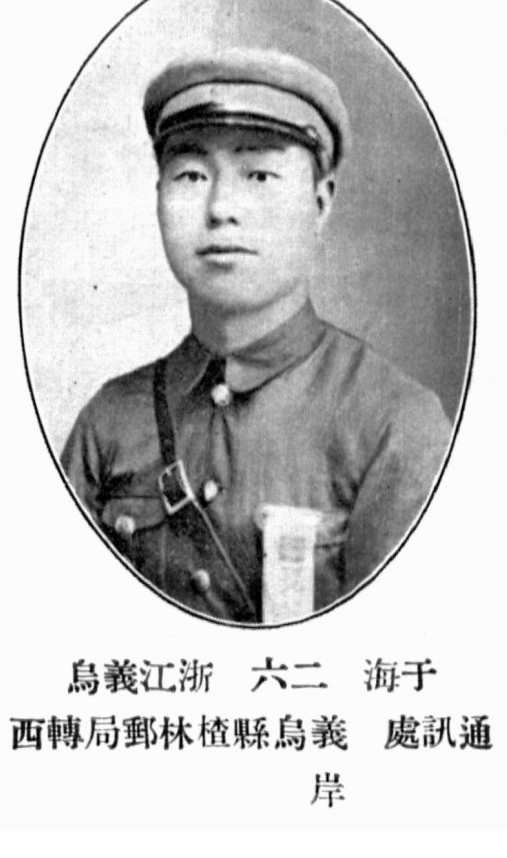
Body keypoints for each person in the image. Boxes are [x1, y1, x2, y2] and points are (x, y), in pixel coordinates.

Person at [61, 48, 451, 623]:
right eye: (191, 175)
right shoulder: (108, 425)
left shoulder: (395, 427)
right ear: (158, 196)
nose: (221, 208)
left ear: (320, 202)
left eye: (259, 175)